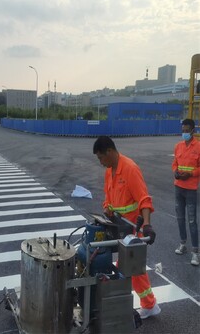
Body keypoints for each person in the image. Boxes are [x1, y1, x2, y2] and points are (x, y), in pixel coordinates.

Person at [93, 136, 161, 319]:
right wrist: (107, 207)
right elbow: (108, 195)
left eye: (100, 158)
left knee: (132, 267)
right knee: (124, 265)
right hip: (118, 226)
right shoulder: (110, 170)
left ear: (109, 151)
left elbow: (144, 199)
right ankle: (146, 303)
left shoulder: (130, 168)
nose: (100, 162)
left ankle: (150, 304)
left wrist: (147, 225)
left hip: (133, 227)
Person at [172, 118, 200, 266]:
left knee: (192, 220)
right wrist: (175, 172)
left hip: (191, 189)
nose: (184, 133)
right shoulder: (178, 146)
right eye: (182, 131)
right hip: (178, 186)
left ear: (193, 131)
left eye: (187, 131)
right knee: (180, 218)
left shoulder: (199, 147)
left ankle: (195, 252)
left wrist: (192, 174)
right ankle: (183, 243)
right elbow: (175, 163)